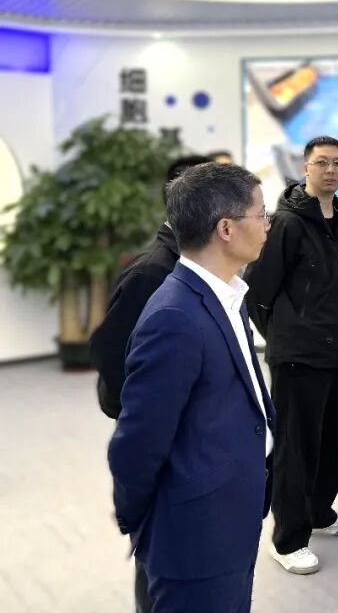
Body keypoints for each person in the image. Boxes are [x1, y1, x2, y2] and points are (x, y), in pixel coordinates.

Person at [108, 162, 274, 613]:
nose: (267, 225)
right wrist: (143, 522)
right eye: (261, 214)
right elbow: (137, 441)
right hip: (195, 532)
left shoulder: (226, 295)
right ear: (226, 229)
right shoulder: (174, 316)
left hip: (230, 514)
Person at [89, 152, 211, 613]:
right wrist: (144, 413)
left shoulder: (197, 268)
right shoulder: (153, 272)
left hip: (187, 432)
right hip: (160, 432)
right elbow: (109, 351)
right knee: (159, 549)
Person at [245, 136, 338, 575]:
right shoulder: (287, 223)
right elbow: (258, 291)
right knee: (296, 448)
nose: (331, 170)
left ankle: (319, 512)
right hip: (298, 356)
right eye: (322, 162)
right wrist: (285, 335)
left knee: (335, 438)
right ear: (306, 168)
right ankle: (288, 539)